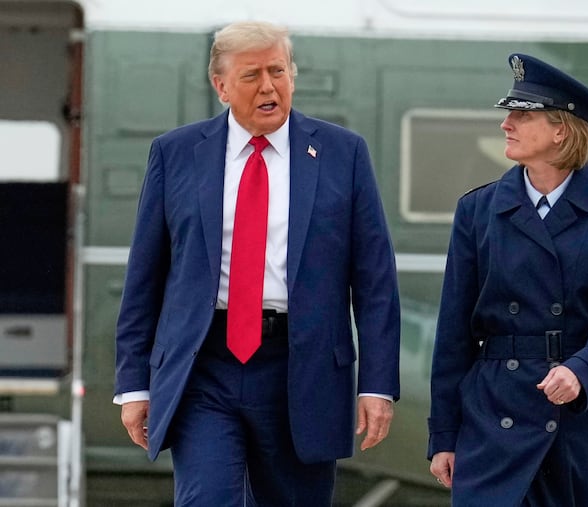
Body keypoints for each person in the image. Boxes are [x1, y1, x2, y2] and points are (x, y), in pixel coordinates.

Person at [113, 20, 400, 506]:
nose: (269, 86)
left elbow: (374, 282)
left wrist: (377, 384)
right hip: (204, 365)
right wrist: (133, 384)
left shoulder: (341, 154)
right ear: (220, 86)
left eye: (278, 71)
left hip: (300, 367)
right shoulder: (176, 154)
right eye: (251, 76)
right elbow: (146, 275)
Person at [427, 53, 588, 506]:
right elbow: (453, 331)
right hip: (492, 419)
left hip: (580, 421)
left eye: (522, 113)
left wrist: (584, 371)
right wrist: (444, 434)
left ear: (561, 129)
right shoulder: (477, 210)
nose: (506, 124)